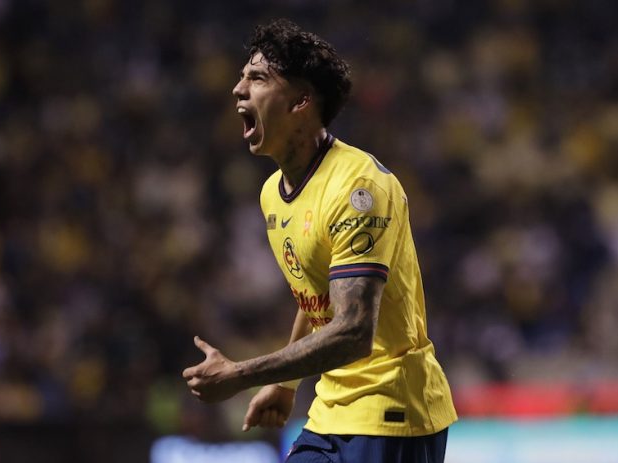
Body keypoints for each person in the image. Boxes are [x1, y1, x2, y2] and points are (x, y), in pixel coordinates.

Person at [183, 18, 457, 463]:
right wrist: (285, 383)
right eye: (241, 76)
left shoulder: (358, 189)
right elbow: (318, 295)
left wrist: (241, 375)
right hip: (330, 411)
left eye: (256, 78)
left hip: (391, 413)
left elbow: (352, 331)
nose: (238, 89)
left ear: (301, 102)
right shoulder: (273, 193)